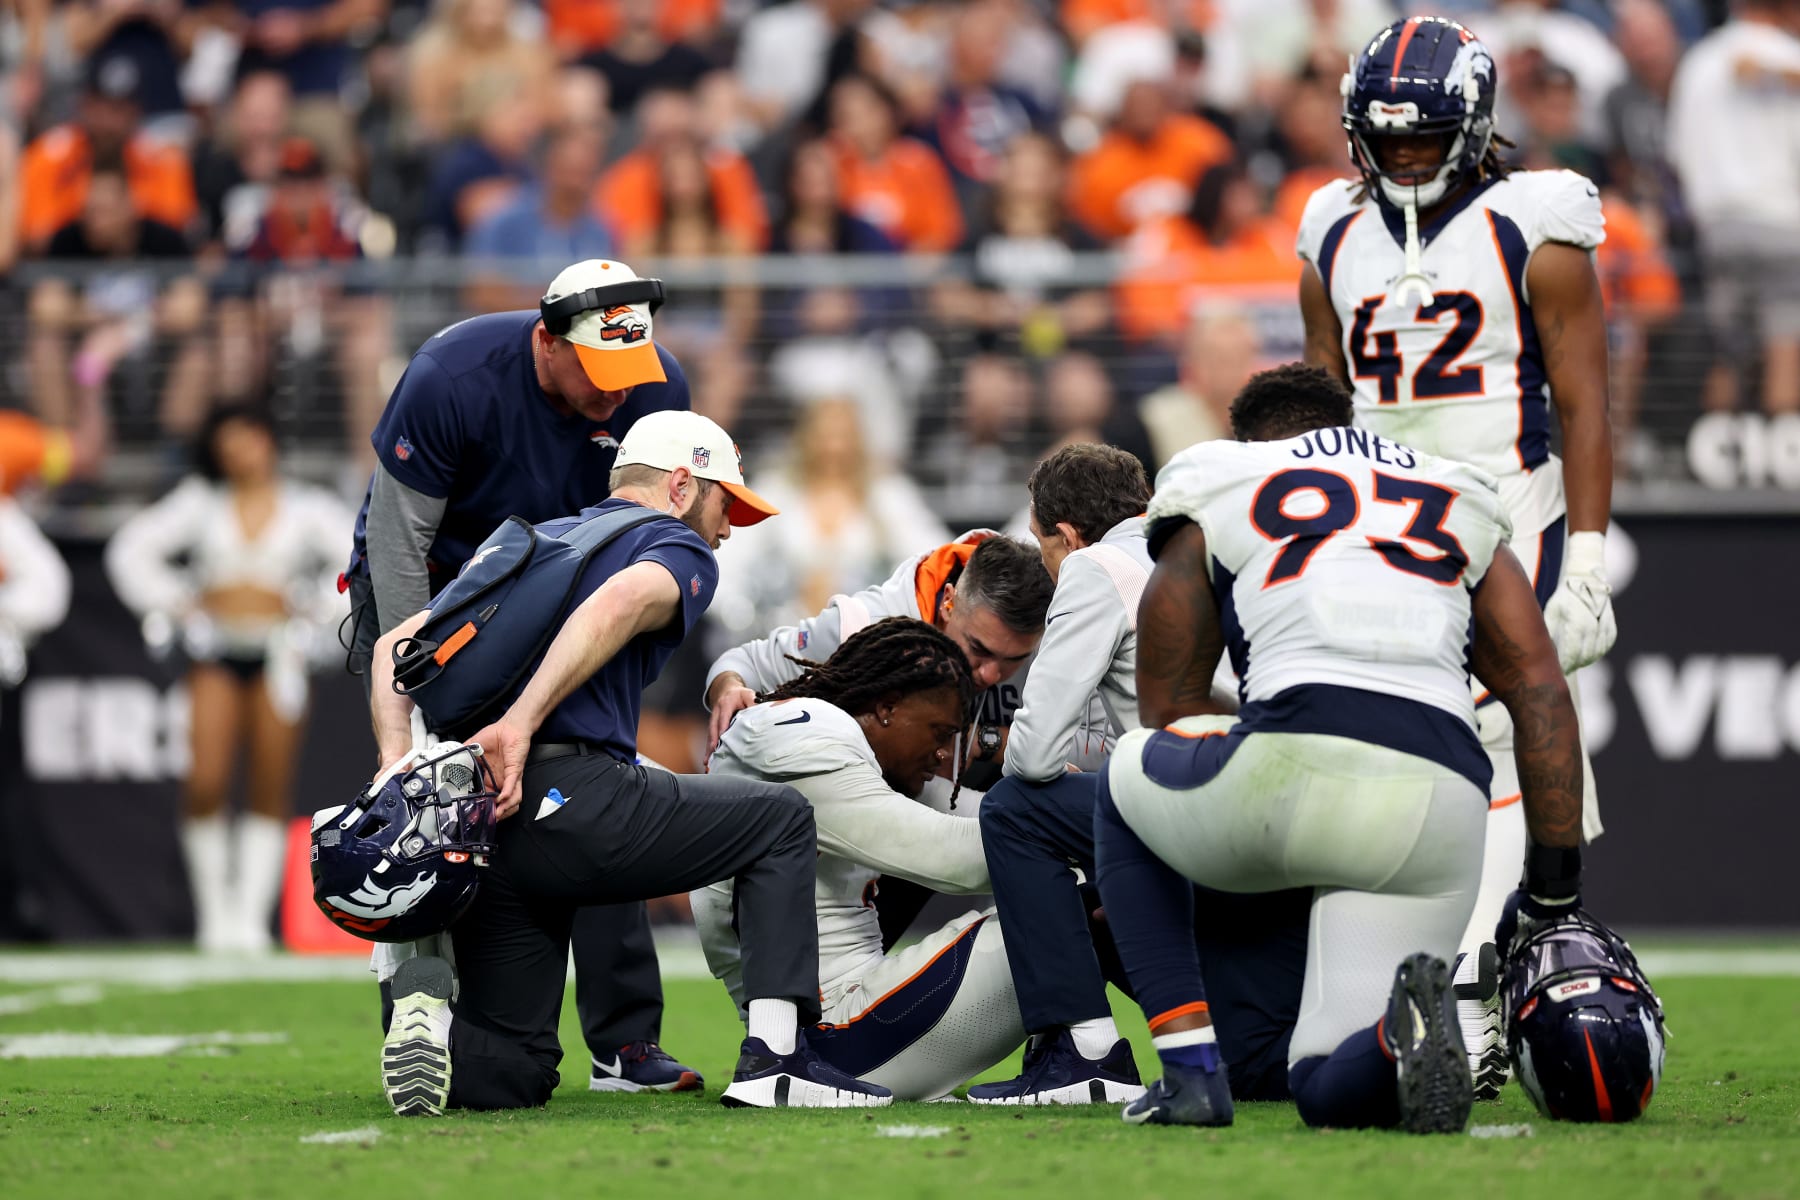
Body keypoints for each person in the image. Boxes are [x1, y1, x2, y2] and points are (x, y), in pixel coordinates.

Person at [1092, 363, 1584, 1135]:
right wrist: (1556, 888)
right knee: (1322, 1078)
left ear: (1247, 440)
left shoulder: (1219, 477)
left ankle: (1188, 1073)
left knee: (1125, 773)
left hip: (1294, 755)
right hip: (1439, 803)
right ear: (1353, 428)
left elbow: (1170, 708)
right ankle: (1396, 1040)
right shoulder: (1455, 489)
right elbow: (1539, 691)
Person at [370, 411, 892, 1114]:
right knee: (781, 819)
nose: (728, 528)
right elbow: (620, 601)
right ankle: (779, 1059)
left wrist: (392, 761)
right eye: (724, 504)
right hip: (568, 793)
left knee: (514, 1071)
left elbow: (393, 647)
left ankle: (429, 1014)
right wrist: (522, 724)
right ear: (681, 486)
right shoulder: (673, 544)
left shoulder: (542, 534)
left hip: (486, 820)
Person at [1296, 16, 1615, 1097]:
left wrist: (1592, 556)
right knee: (1397, 755)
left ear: (1475, 127)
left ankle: (1472, 995)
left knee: (1497, 729)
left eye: (1429, 139)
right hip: (1381, 522)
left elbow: (1584, 399)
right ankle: (1447, 972)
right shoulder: (1330, 230)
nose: (1408, 160)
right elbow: (1319, 400)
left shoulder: (1538, 216)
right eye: (1389, 143)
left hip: (1509, 508)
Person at [341, 258, 702, 1095]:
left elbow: (644, 534)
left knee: (598, 786)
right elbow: (398, 550)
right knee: (425, 802)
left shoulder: (657, 388)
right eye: (599, 372)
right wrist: (414, 709)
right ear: (547, 342)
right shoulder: (450, 379)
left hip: (556, 604)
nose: (619, 393)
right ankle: (417, 1019)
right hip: (434, 597)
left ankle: (626, 1044)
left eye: (631, 374)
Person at [696, 618, 1026, 1101]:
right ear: (887, 707)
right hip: (836, 1036)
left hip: (843, 1023)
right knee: (1067, 904)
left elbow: (976, 813)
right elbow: (954, 855)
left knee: (1084, 873)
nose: (942, 754)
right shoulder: (812, 742)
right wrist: (1079, 827)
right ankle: (1096, 1054)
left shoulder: (833, 741)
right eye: (939, 731)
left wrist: (1068, 814)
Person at [106, 405, 352, 953]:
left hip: (279, 654)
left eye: (246, 439)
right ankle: (215, 918)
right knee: (207, 778)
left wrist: (306, 606)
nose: (237, 452)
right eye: (226, 443)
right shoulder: (201, 503)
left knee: (269, 781)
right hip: (215, 650)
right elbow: (130, 551)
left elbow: (354, 565)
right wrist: (179, 600)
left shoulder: (307, 507)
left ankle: (247, 920)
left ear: (267, 440)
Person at [1666, 0, 1800, 415]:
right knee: (1784, 350)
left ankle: (1714, 464)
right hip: (1782, 221)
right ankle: (1782, 476)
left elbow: (1676, 150)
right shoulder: (1789, 53)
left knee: (1728, 354)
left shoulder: (1699, 61)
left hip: (1717, 226)